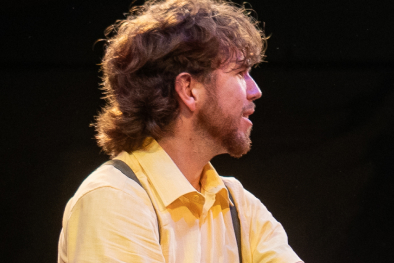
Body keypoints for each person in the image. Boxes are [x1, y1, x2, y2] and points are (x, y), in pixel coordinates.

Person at [57, 0, 302, 262]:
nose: (255, 91)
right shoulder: (114, 199)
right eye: (240, 73)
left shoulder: (239, 206)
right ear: (188, 89)